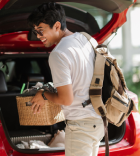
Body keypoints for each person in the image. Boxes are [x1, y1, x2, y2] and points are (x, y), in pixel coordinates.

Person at [27, 2, 104, 156]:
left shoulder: (58, 53)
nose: (38, 36)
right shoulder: (87, 40)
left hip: (80, 126)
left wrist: (43, 94)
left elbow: (66, 99)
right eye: (36, 31)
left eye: (41, 31)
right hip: (98, 119)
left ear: (57, 25)